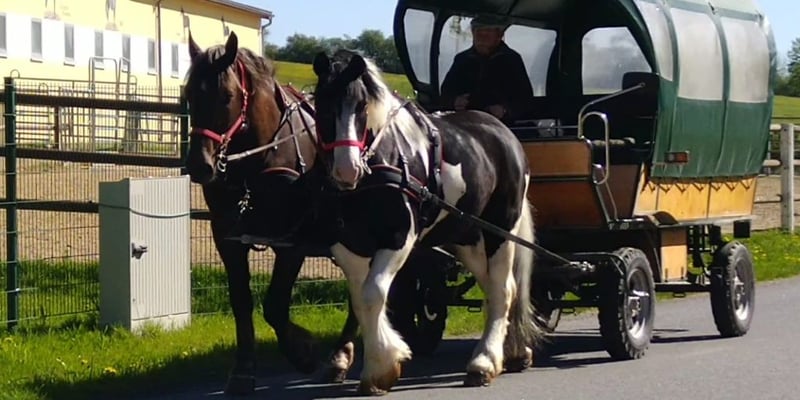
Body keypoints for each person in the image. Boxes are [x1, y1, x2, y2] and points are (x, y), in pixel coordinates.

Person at [440, 15, 534, 123]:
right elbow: (445, 93)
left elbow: (525, 100)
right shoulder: (462, 59)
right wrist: (455, 101)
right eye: (479, 33)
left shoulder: (512, 60)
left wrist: (505, 109)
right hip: (465, 122)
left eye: (487, 33)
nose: (482, 38)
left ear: (499, 35)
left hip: (500, 124)